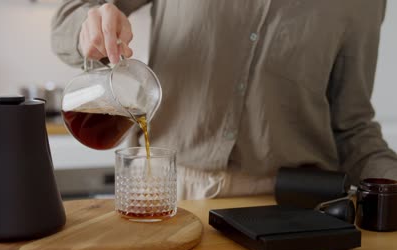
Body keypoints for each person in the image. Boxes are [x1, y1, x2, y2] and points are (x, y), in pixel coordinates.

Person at [51, 0, 397, 199]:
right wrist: (89, 26)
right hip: (161, 189)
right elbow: (67, 19)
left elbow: (353, 127)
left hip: (287, 205)